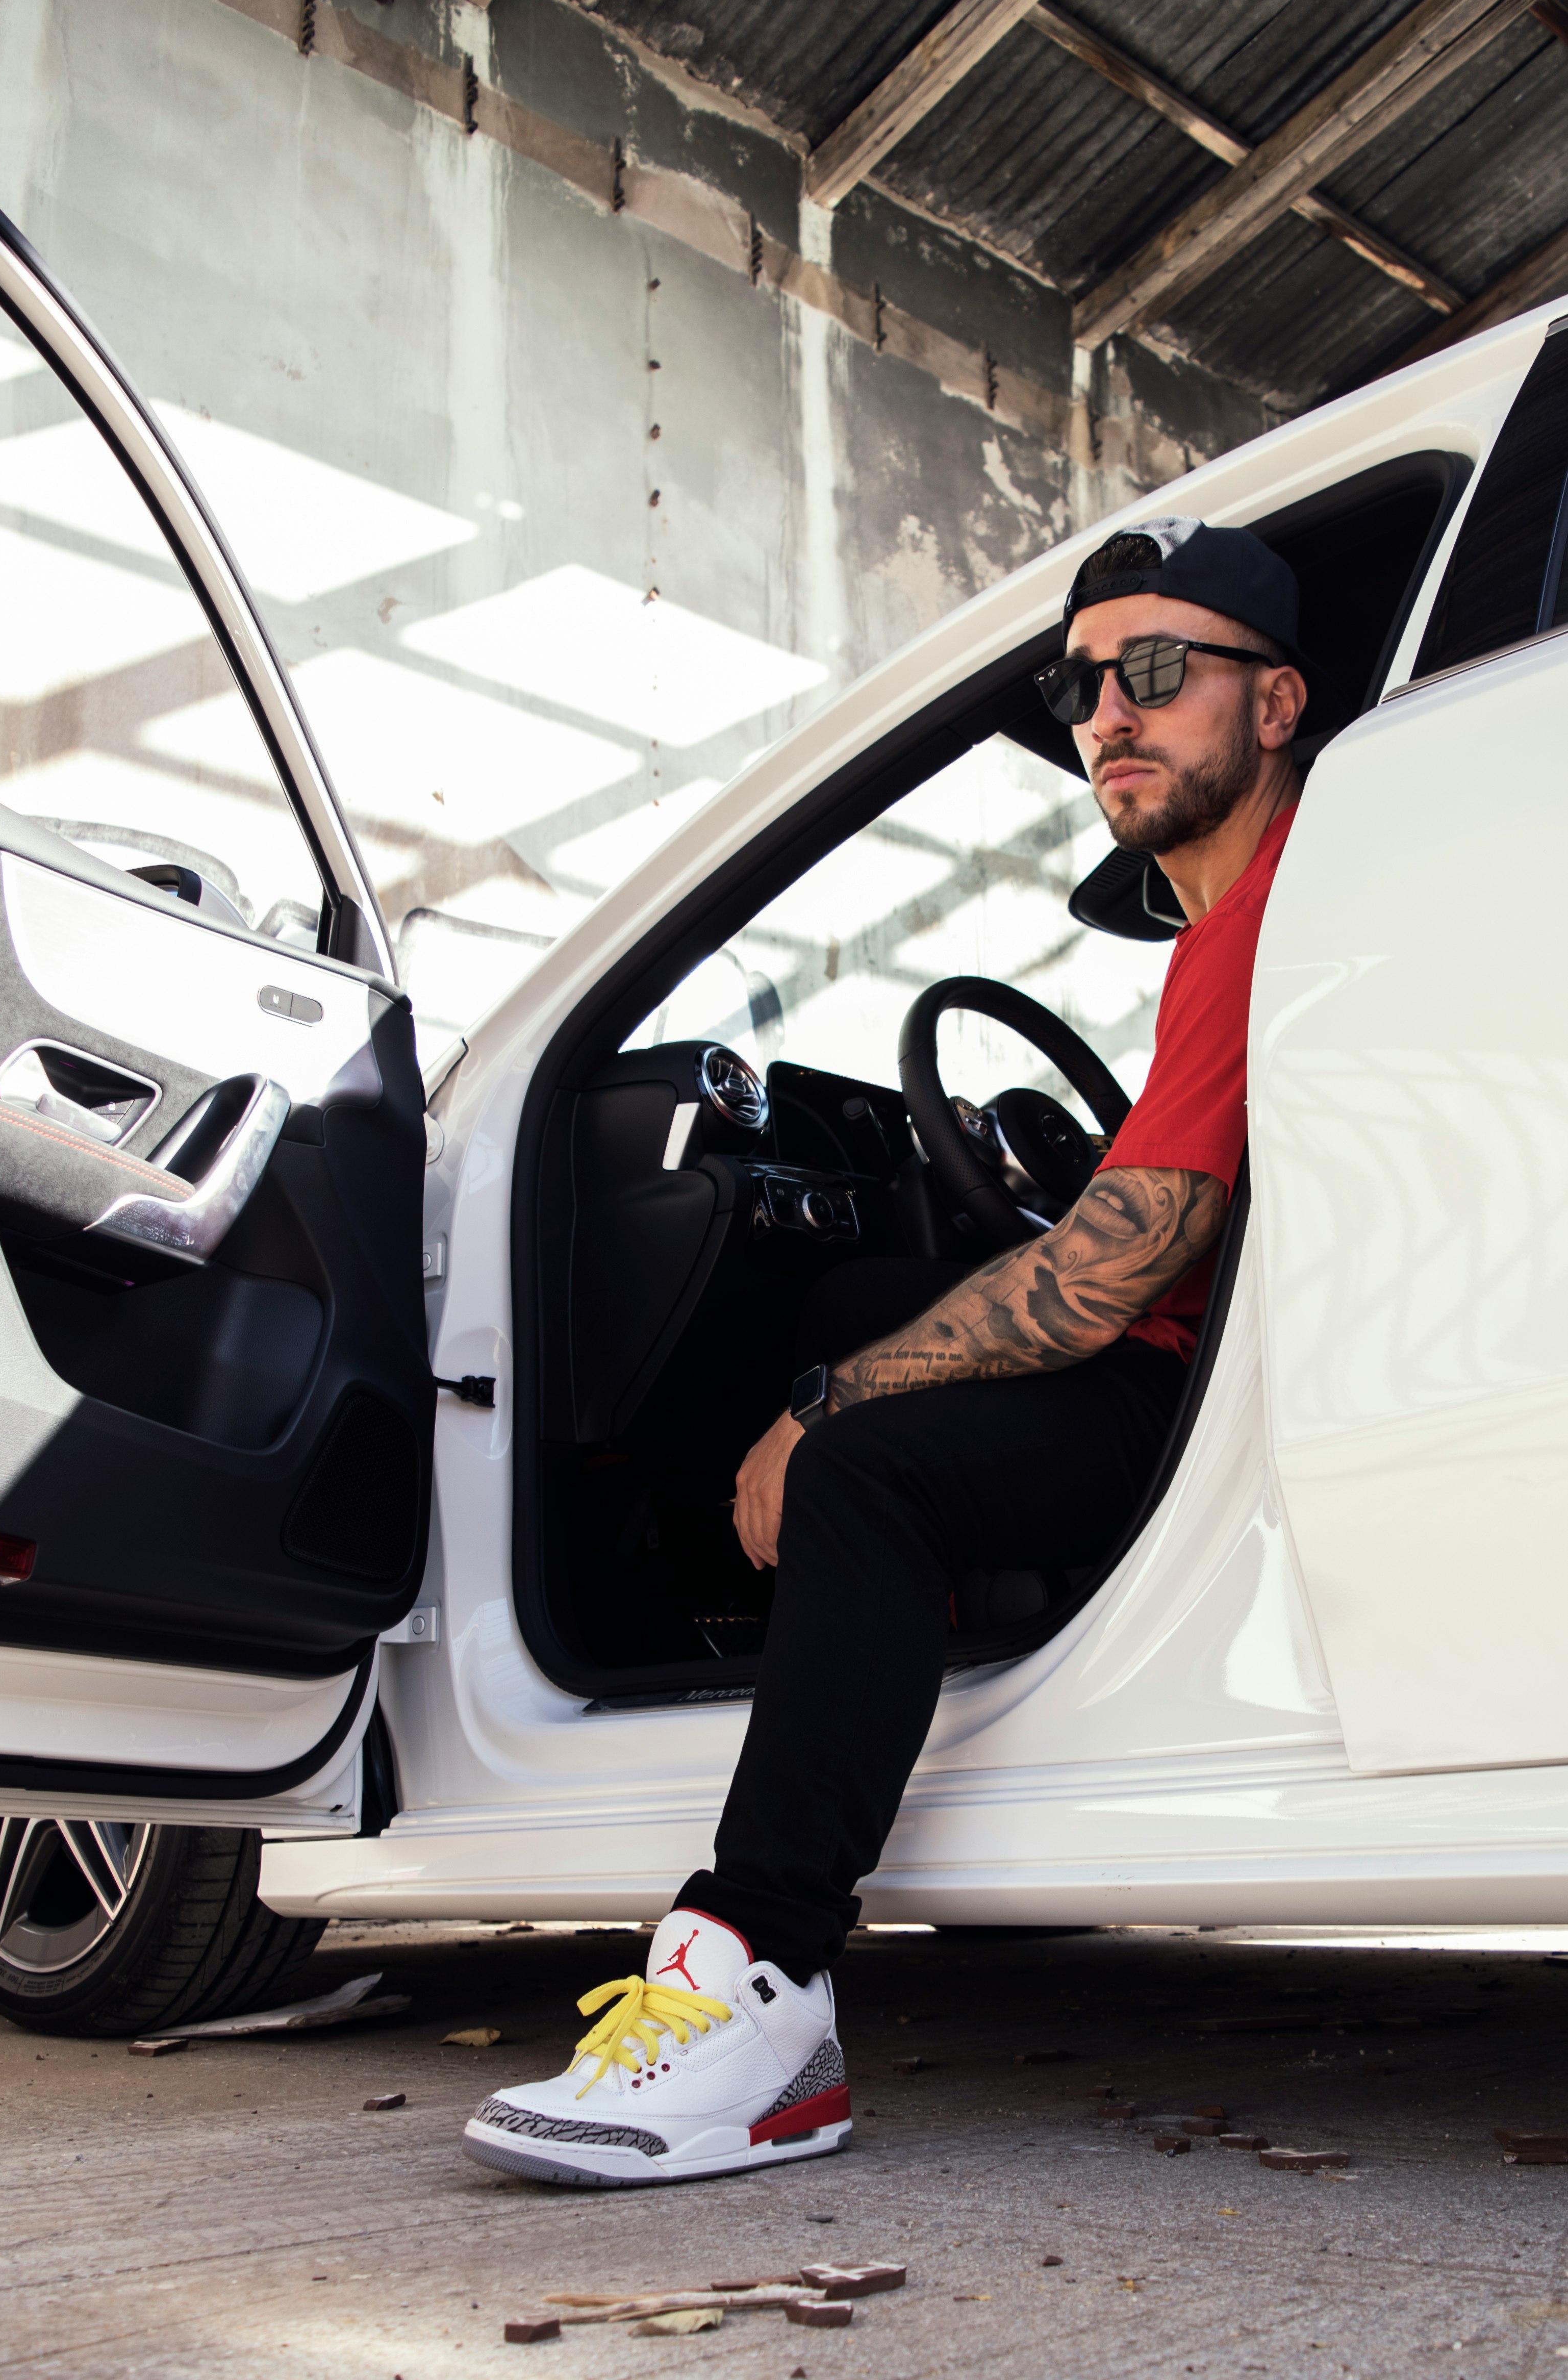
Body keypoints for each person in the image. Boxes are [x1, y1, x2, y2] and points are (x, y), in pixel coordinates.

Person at [463, 514, 1309, 2188]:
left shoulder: (1274, 912)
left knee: (854, 1457)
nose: (1107, 717)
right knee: (855, 1301)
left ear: (1273, 702)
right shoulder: (1232, 923)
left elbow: (1094, 1281)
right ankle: (852, 1667)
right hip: (1204, 1365)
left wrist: (814, 1415)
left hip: (1209, 1403)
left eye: (1155, 670)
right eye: (1081, 686)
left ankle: (760, 1983)